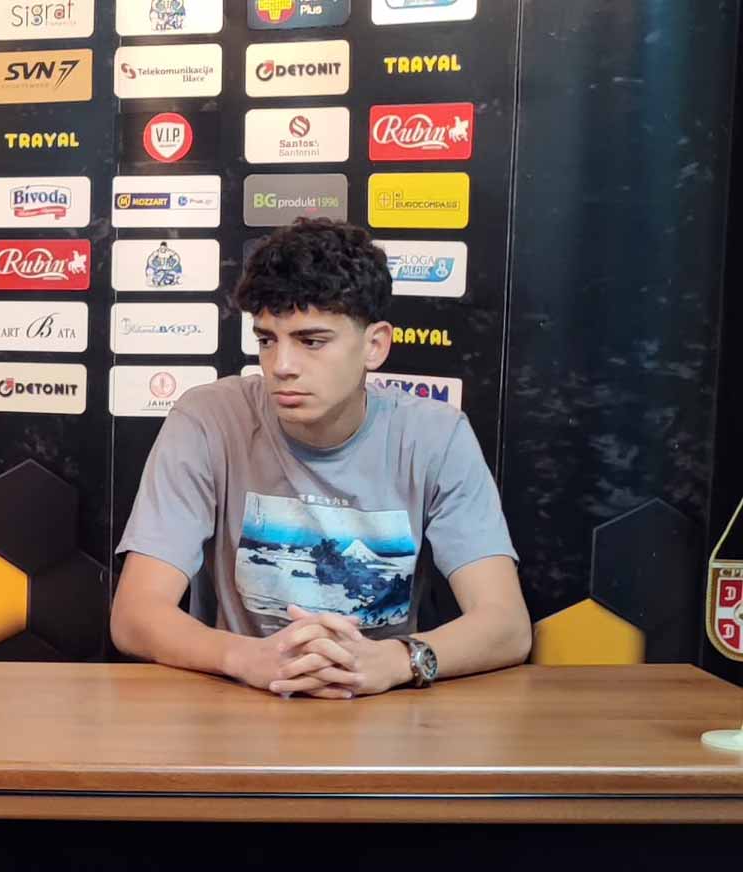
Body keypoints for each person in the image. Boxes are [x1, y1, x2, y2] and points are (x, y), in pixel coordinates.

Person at [112, 219, 531, 697]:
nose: (282, 366)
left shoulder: (437, 436)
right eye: (267, 340)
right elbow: (135, 615)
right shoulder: (207, 419)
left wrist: (397, 661)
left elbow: (506, 624)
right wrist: (247, 658)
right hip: (242, 703)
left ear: (374, 345)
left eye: (311, 341)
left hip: (383, 706)